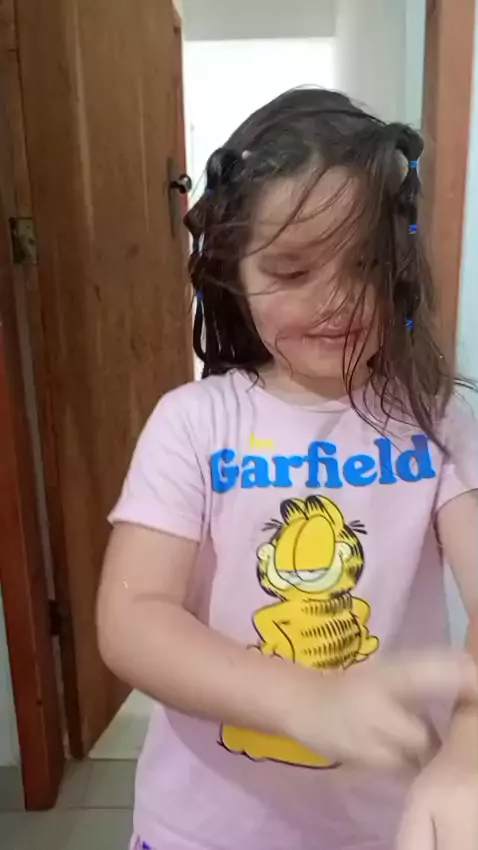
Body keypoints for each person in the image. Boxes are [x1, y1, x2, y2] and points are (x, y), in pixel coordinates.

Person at [97, 89, 478, 850]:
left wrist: (466, 756)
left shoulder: (437, 424)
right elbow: (134, 619)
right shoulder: (193, 423)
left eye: (366, 263)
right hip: (200, 830)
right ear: (233, 270)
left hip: (388, 827)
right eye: (292, 268)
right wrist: (302, 699)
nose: (336, 298)